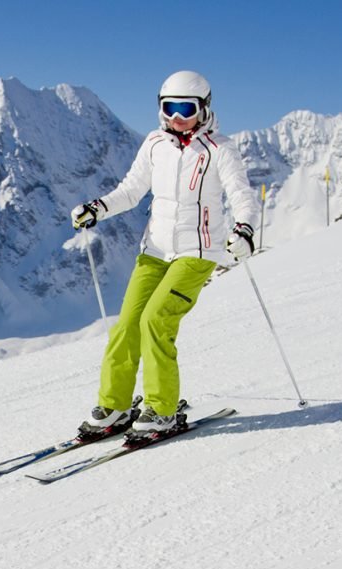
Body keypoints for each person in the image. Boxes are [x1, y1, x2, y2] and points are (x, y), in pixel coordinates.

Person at [69, 70, 260, 446]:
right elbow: (131, 190)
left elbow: (242, 195)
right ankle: (115, 406)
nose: (176, 117)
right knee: (126, 325)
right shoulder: (155, 144)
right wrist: (98, 208)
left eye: (185, 108)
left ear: (203, 109)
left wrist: (246, 230)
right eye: (168, 108)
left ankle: (161, 408)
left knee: (156, 320)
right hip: (154, 251)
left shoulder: (220, 149)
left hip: (198, 252)